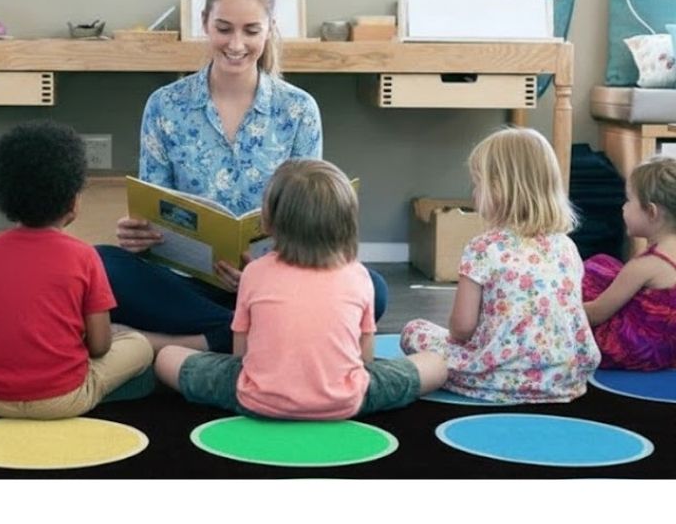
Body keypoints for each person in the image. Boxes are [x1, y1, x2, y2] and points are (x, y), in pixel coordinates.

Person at [98, 0, 388, 353]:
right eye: (224, 29)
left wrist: (262, 273)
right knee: (102, 266)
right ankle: (251, 334)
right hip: (186, 286)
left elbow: (308, 222)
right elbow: (157, 209)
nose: (236, 45)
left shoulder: (298, 109)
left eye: (251, 30)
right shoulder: (165, 105)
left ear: (270, 29)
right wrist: (140, 237)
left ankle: (182, 343)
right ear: (205, 23)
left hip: (278, 283)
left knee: (373, 289)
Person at [154, 159, 446, 419]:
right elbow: (365, 359)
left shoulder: (254, 272)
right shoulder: (359, 275)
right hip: (346, 400)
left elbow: (240, 356)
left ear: (268, 221)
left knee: (167, 356)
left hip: (256, 398)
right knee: (436, 364)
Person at [0, 121, 153, 419]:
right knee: (139, 345)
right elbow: (99, 346)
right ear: (73, 201)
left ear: (3, 196)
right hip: (63, 399)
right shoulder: (85, 256)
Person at [401, 127, 600, 403]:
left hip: (498, 378)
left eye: (478, 183)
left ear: (499, 188)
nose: (474, 193)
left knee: (413, 331)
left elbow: (462, 328)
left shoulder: (484, 247)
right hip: (563, 378)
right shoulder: (567, 246)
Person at [582, 156, 676, 370]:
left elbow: (595, 314)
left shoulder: (646, 264)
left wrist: (555, 308)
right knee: (605, 264)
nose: (623, 207)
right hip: (670, 350)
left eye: (629, 200)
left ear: (651, 211)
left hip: (636, 351)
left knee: (592, 269)